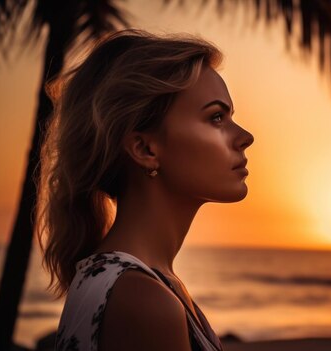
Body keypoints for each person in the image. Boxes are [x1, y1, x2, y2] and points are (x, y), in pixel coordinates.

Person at [35, 29, 254, 351]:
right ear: (144, 148)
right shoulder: (143, 300)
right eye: (216, 117)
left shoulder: (133, 282)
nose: (245, 136)